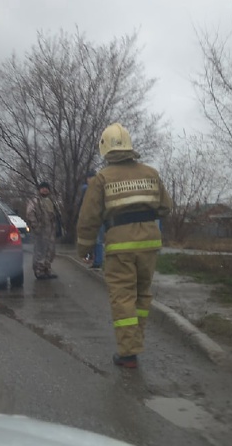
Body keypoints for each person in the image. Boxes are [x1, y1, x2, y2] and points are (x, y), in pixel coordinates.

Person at [76, 124, 172, 368]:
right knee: (142, 294)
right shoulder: (151, 173)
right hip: (149, 243)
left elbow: (89, 218)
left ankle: (128, 352)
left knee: (123, 297)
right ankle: (135, 338)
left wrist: (84, 249)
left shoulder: (102, 179)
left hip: (120, 245)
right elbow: (165, 207)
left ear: (105, 149)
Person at [26, 181, 60, 280]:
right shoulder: (35, 201)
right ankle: (39, 271)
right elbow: (30, 214)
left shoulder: (51, 201)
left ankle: (47, 270)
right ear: (39, 189)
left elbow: (56, 215)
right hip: (41, 231)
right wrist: (36, 226)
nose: (45, 189)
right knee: (40, 251)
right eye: (43, 188)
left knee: (50, 251)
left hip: (51, 231)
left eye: (46, 188)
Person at [79, 170, 104, 269]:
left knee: (96, 240)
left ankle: (97, 261)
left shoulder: (87, 188)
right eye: (90, 178)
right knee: (96, 240)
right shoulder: (98, 188)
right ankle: (96, 260)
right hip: (97, 217)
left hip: (94, 218)